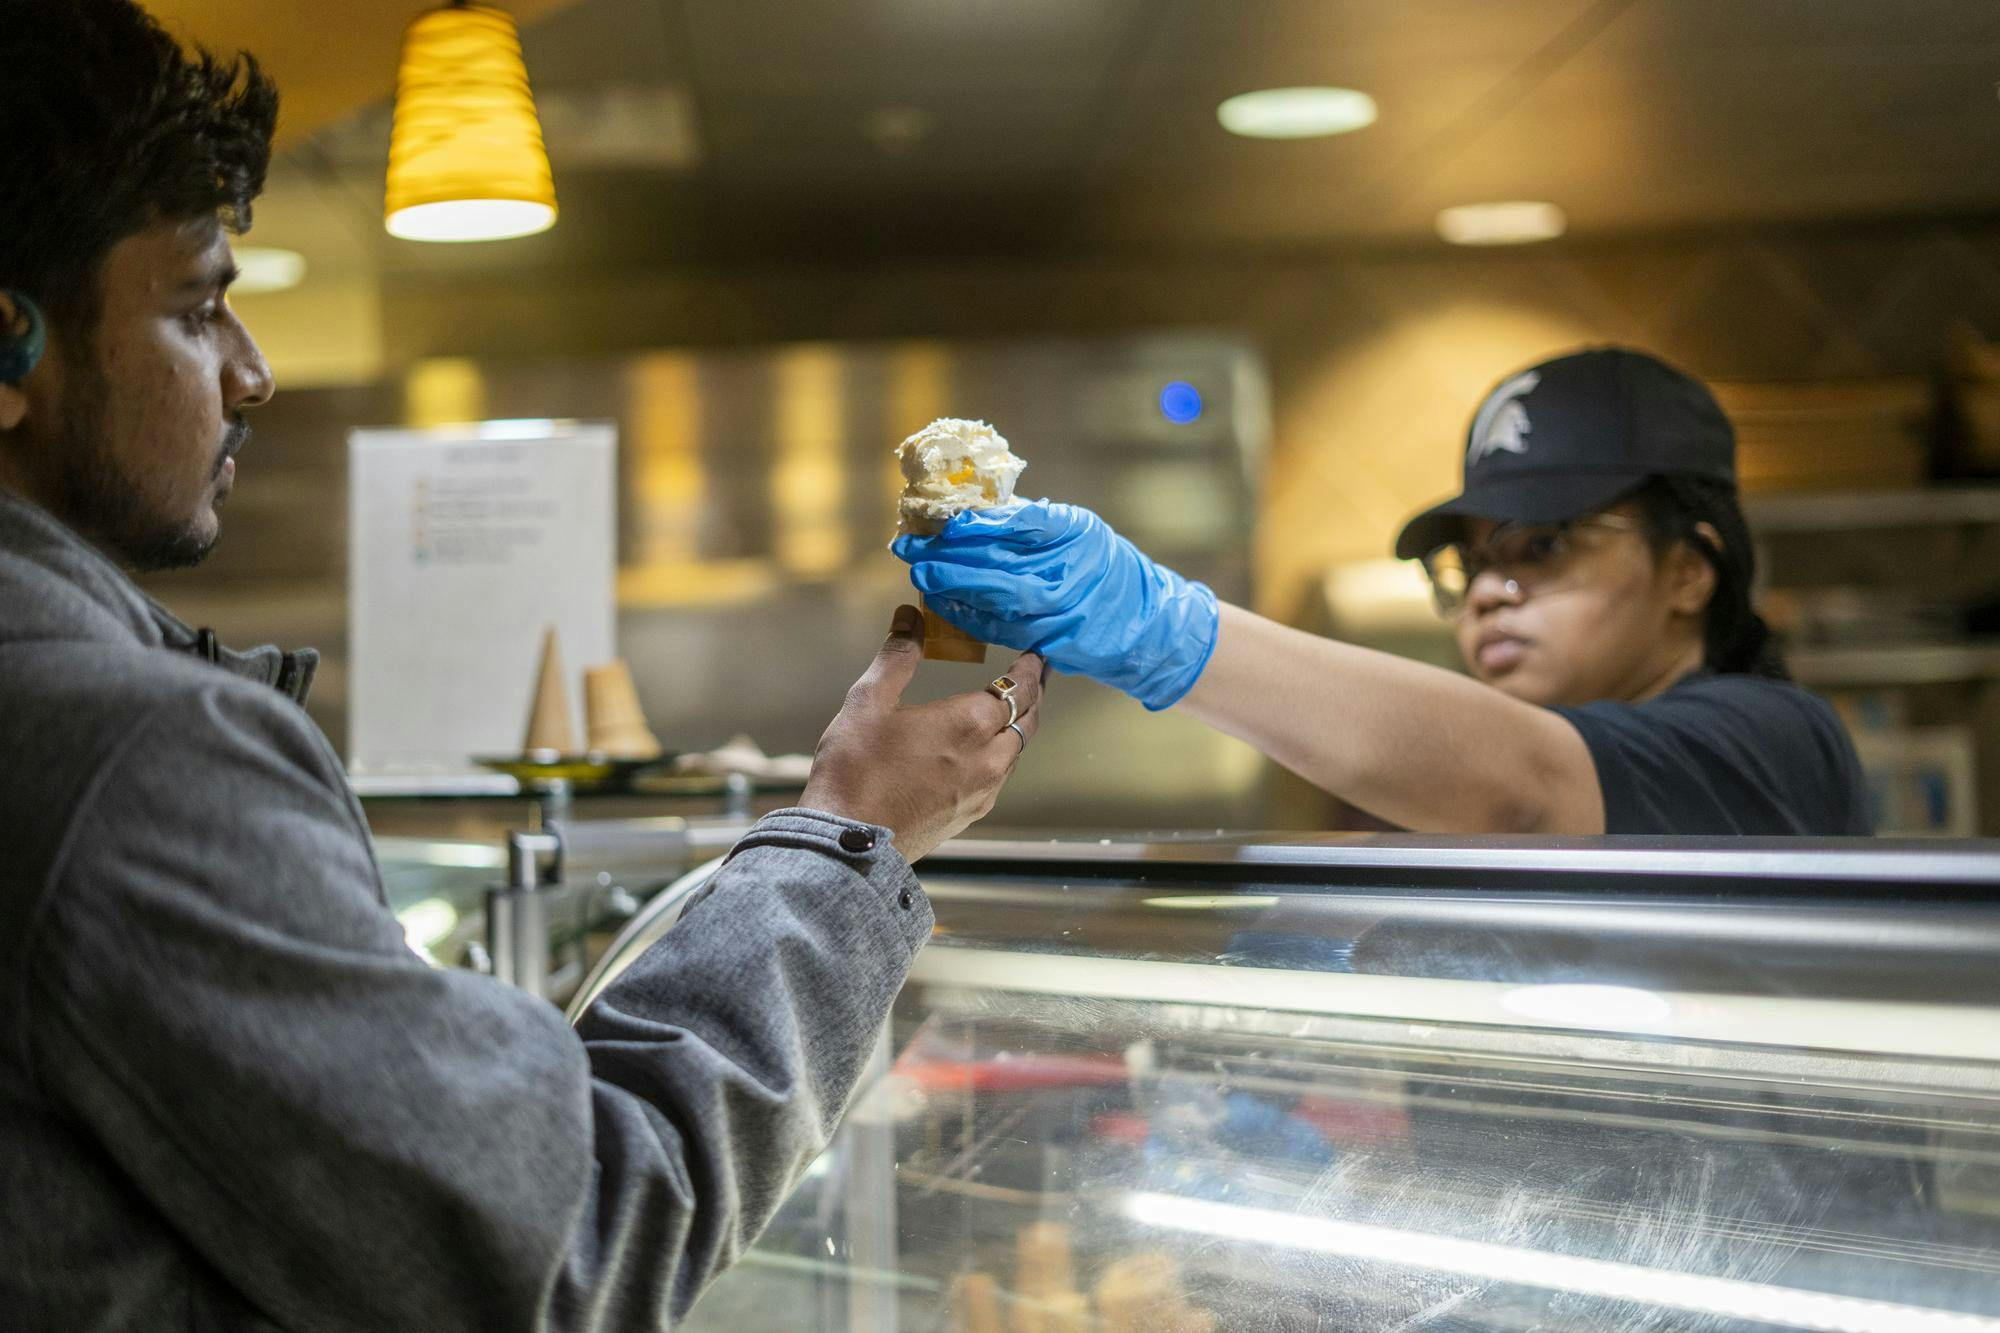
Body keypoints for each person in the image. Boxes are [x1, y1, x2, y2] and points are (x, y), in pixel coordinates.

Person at [0, 2, 1045, 1328]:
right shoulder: (127, 757)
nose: (253, 375)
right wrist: (851, 837)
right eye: (199, 309)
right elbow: (574, 1239)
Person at [897, 346, 1871, 837]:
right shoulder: (1457, 781)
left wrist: (1156, 627)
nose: (1488, 590)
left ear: (1688, 571)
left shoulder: (1774, 746)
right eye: (1472, 562)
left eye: (1541, 548)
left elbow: (1524, 787)